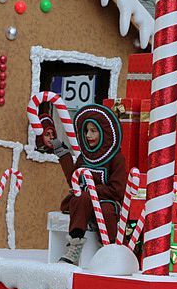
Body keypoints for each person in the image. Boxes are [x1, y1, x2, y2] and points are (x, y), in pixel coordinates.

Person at [53, 104, 127, 266]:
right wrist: (63, 154)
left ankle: (106, 249)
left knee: (106, 211)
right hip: (85, 203)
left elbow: (118, 190)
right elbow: (74, 180)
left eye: (93, 131)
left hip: (106, 201)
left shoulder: (117, 159)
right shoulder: (84, 157)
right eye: (86, 131)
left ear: (104, 132)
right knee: (80, 198)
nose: (88, 135)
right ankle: (74, 245)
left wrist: (93, 190)